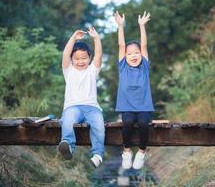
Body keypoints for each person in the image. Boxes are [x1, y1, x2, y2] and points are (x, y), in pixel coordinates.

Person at [58, 27, 105, 168]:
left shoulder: (92, 70)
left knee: (99, 125)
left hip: (92, 108)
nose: (80, 61)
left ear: (89, 58)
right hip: (73, 107)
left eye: (84, 58)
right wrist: (73, 38)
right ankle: (68, 146)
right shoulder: (68, 70)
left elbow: (99, 55)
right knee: (67, 120)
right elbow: (65, 55)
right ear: (72, 60)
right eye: (77, 58)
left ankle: (98, 155)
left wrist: (96, 38)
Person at [114, 11, 155, 170]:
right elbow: (121, 45)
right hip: (127, 108)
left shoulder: (144, 67)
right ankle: (126, 151)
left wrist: (142, 26)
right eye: (129, 53)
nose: (133, 55)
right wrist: (120, 26)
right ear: (125, 56)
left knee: (144, 123)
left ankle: (142, 152)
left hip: (144, 107)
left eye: (136, 53)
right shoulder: (123, 67)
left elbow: (144, 45)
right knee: (128, 122)